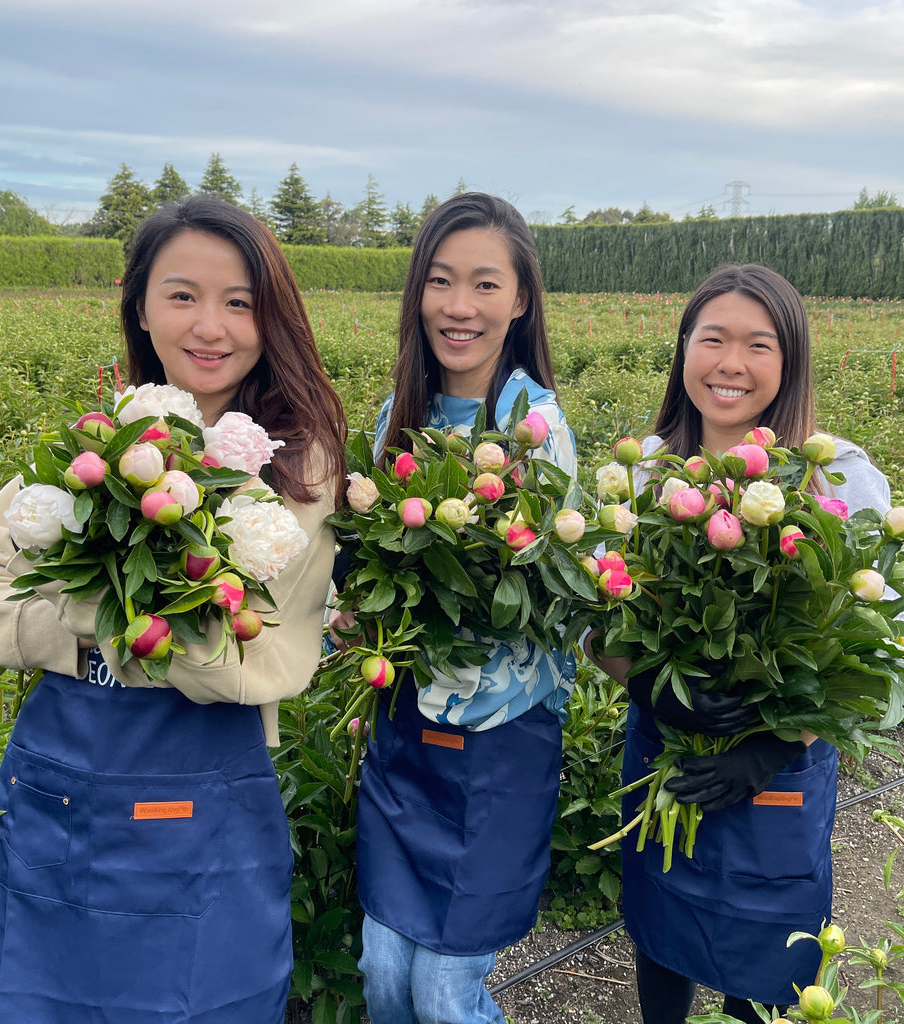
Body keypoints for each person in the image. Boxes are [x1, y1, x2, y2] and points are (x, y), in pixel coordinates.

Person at [0, 194, 347, 1024]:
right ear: (141, 307)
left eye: (239, 302)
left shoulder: (297, 474)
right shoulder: (91, 454)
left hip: (202, 800)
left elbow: (239, 661)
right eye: (182, 295)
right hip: (58, 789)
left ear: (272, 318)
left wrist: (76, 608)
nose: (210, 326)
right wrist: (82, 624)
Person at [597, 264, 896, 1023]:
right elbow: (595, 620)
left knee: (768, 955)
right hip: (666, 739)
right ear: (683, 350)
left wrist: (772, 744)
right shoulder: (645, 476)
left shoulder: (839, 478)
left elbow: (879, 641)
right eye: (713, 339)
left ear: (789, 361)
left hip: (780, 762)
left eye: (758, 345)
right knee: (661, 929)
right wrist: (648, 683)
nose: (731, 364)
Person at [336, 192, 578, 1024]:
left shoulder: (534, 426)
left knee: (443, 992)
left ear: (520, 300)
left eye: (484, 284)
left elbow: (551, 592)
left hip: (498, 745)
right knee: (381, 972)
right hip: (408, 736)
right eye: (441, 282)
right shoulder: (394, 420)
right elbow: (374, 573)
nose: (459, 306)